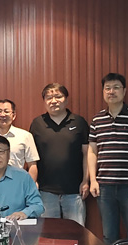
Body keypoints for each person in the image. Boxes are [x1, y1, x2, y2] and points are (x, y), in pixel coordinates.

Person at [88, 73, 128, 245]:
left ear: (124, 91)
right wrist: (93, 180)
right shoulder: (97, 120)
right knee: (109, 235)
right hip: (104, 187)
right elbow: (92, 152)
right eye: (107, 88)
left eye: (116, 87)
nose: (111, 91)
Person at [29, 83, 89, 225]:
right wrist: (33, 182)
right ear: (44, 101)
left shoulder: (79, 122)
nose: (54, 101)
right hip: (45, 191)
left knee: (76, 232)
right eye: (49, 97)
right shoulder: (37, 123)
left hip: (74, 191)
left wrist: (86, 181)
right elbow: (32, 157)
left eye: (58, 96)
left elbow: (87, 154)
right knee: (48, 233)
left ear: (66, 100)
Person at [0, 99, 39, 180]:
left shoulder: (25, 136)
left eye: (6, 111)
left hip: (18, 182)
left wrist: (29, 185)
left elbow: (32, 165)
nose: (2, 115)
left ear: (14, 115)